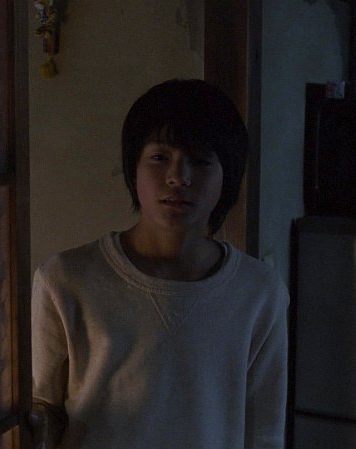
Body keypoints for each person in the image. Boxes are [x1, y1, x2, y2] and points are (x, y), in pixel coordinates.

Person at [29, 79, 289, 449]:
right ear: (133, 168)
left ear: (227, 177)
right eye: (159, 157)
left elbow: (264, 432)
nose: (178, 177)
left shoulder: (258, 292)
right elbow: (41, 407)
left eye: (200, 160)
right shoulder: (67, 278)